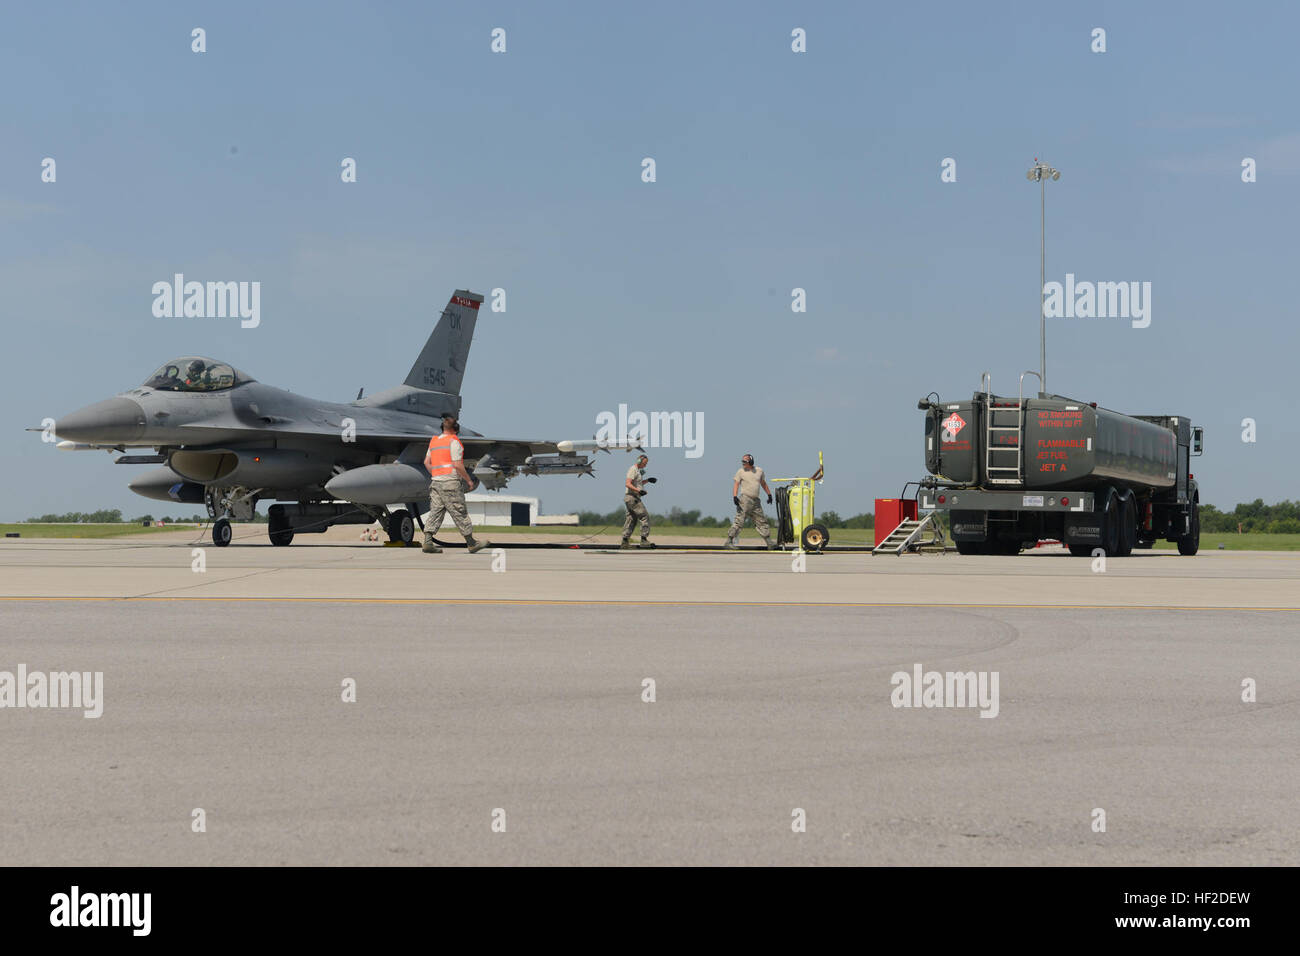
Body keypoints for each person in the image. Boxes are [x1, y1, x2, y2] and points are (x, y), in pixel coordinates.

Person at [422, 415, 487, 554]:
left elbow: (426, 462)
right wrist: (469, 480)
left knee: (436, 511)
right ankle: (471, 543)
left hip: (436, 482)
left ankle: (427, 542)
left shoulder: (434, 441)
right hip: (450, 483)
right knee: (459, 511)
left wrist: (436, 474)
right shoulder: (454, 441)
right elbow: (457, 465)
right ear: (456, 429)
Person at [726, 453, 774, 549]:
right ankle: (729, 541)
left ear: (751, 461)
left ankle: (769, 543)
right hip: (745, 499)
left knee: (761, 521)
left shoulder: (759, 471)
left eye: (745, 461)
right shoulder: (740, 472)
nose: (743, 463)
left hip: (756, 501)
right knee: (739, 520)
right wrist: (735, 496)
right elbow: (736, 484)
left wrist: (769, 494)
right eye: (742, 461)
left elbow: (763, 483)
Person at [620, 453, 656, 549]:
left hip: (630, 498)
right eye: (645, 463)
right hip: (633, 498)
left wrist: (647, 480)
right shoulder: (633, 469)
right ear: (639, 460)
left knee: (631, 519)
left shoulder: (638, 471)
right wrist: (639, 491)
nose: (646, 465)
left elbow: (637, 483)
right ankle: (644, 540)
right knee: (644, 516)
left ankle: (625, 542)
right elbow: (627, 484)